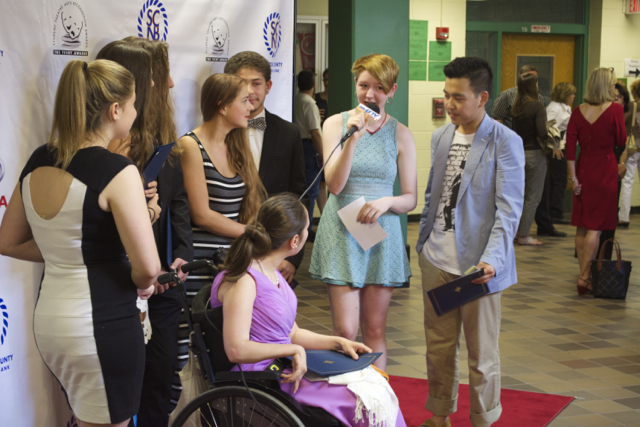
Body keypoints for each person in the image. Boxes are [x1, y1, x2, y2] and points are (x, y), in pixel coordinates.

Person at [0, 59, 161, 427]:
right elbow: (149, 267)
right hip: (102, 326)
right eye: (134, 103)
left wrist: (69, 253)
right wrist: (145, 282)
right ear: (115, 110)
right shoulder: (119, 171)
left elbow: (7, 241)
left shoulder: (39, 159)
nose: (136, 112)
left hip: (53, 324)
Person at [211, 193, 407, 427]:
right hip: (264, 374)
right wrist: (294, 350)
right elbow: (236, 349)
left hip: (284, 362)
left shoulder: (271, 272)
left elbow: (292, 333)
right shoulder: (245, 280)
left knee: (375, 384)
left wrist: (338, 342)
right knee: (363, 402)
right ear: (295, 242)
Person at [416, 57, 524, 427]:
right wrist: (423, 245)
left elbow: (509, 210)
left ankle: (484, 419)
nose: (449, 104)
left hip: (478, 267)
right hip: (436, 260)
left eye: (458, 98)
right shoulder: (441, 135)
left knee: (482, 354)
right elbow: (434, 196)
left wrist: (492, 258)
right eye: (446, 96)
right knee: (439, 347)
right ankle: (439, 414)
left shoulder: (505, 141)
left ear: (482, 97)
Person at [309, 53, 417, 370]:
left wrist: (387, 202)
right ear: (355, 84)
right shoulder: (335, 124)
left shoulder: (401, 133)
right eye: (364, 85)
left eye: (379, 88)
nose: (370, 95)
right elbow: (335, 185)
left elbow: (410, 198)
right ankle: (345, 406)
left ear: (392, 90)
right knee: (344, 331)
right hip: (343, 228)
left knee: (374, 330)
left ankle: (376, 407)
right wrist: (352, 141)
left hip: (380, 232)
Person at [124, 37, 194, 427]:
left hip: (167, 285)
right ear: (144, 80)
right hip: (127, 286)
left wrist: (180, 254)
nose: (171, 84)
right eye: (162, 74)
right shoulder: (115, 148)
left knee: (163, 373)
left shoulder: (166, 136)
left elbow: (178, 202)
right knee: (125, 388)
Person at [224, 51, 306, 284]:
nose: (250, 90)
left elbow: (298, 196)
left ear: (268, 86)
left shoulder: (288, 133)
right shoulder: (216, 132)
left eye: (256, 83)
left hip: (274, 250)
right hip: (225, 244)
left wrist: (293, 257)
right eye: (242, 83)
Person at [566, 68, 626, 295]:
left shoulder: (577, 111)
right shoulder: (615, 109)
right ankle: (584, 277)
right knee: (596, 228)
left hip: (583, 168)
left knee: (582, 227)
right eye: (612, 84)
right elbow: (620, 139)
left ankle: (584, 275)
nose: (614, 89)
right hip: (605, 168)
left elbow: (570, 148)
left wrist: (573, 178)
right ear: (606, 86)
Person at [512, 73, 548, 245]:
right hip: (535, 154)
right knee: (533, 197)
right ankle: (524, 235)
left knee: (518, 196)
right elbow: (542, 132)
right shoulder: (537, 106)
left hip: (519, 154)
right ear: (533, 86)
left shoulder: (516, 107)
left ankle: (515, 232)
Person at [294, 69, 323, 235]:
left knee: (300, 189)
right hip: (308, 147)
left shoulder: (296, 100)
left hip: (297, 145)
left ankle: (300, 225)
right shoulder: (310, 103)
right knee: (311, 190)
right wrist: (325, 156)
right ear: (314, 85)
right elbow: (315, 133)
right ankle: (308, 227)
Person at [545, 82, 576, 224]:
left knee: (560, 179)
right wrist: (556, 146)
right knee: (559, 180)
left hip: (563, 146)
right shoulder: (554, 108)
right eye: (571, 94)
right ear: (565, 95)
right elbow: (549, 127)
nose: (573, 96)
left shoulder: (566, 108)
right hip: (556, 149)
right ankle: (555, 212)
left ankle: (555, 211)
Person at [491, 64, 546, 129]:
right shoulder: (507, 95)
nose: (530, 81)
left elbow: (543, 121)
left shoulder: (540, 98)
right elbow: (497, 119)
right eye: (527, 78)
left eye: (533, 79)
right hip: (511, 135)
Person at [618, 80, 640, 228]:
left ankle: (624, 217)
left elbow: (624, 120)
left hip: (633, 145)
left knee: (627, 182)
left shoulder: (633, 105)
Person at [316, 68, 330, 214]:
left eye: (329, 80)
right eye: (324, 80)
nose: (326, 83)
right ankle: (324, 215)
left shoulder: (340, 97)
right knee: (320, 182)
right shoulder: (316, 98)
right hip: (320, 144)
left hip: (337, 143)